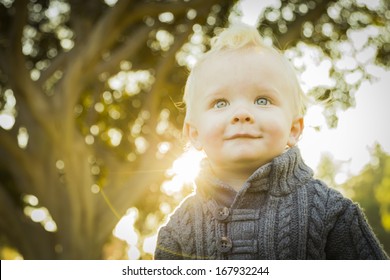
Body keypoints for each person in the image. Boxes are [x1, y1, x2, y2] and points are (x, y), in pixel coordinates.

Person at [154, 23, 389, 260]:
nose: (242, 113)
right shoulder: (178, 230)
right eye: (220, 103)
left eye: (263, 100)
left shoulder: (331, 213)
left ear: (293, 129)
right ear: (194, 133)